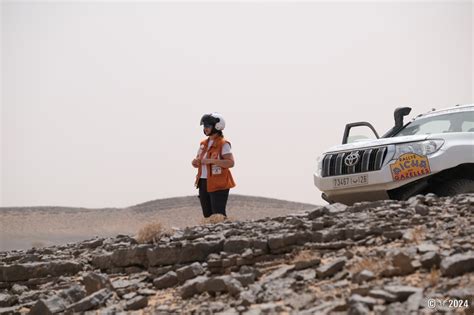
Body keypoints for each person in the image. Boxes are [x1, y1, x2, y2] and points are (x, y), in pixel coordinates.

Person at [192, 113, 236, 218]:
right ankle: (212, 233)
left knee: (218, 214)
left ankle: (225, 232)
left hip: (219, 184)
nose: (205, 128)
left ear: (217, 127)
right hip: (203, 182)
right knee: (207, 214)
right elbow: (199, 161)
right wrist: (195, 162)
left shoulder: (223, 144)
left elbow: (230, 163)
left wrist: (212, 161)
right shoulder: (203, 144)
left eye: (207, 126)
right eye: (204, 126)